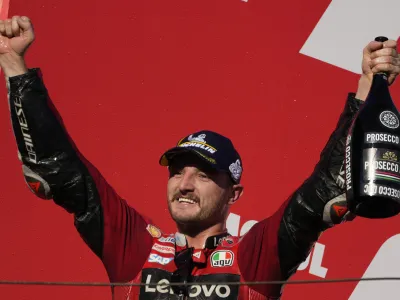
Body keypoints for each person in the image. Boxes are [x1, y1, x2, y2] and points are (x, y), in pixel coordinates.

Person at [1, 15, 399, 300]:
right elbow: (62, 171)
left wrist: (366, 88)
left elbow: (323, 192)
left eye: (204, 175)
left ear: (234, 193)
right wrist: (13, 64)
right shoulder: (135, 249)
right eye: (177, 172)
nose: (184, 184)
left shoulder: (253, 256)